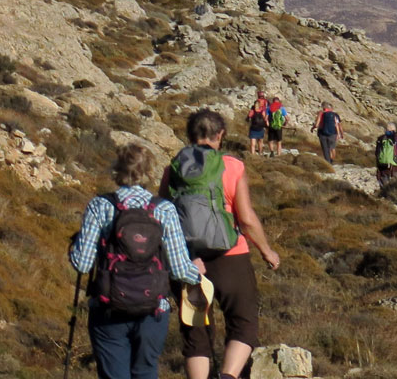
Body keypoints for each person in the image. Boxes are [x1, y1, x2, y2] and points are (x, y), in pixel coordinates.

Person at [164, 110, 283, 379]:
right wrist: (267, 251)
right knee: (243, 324)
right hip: (231, 256)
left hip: (188, 261)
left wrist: (177, 258)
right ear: (221, 135)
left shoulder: (173, 168)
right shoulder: (232, 166)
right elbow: (248, 219)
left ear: (190, 135)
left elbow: (164, 215)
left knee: (195, 331)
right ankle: (228, 376)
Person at [69, 143, 203, 379]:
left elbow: (82, 264)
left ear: (116, 170)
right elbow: (180, 270)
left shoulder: (100, 206)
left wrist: (75, 244)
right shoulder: (164, 210)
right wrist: (198, 273)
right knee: (146, 372)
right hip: (153, 310)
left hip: (108, 308)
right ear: (150, 172)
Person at [374, 123, 397, 194]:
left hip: (382, 164)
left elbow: (377, 152)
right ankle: (391, 194)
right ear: (394, 130)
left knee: (383, 180)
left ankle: (383, 193)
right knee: (394, 180)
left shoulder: (380, 138)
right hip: (393, 164)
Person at [245, 93, 269, 157]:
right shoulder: (262, 111)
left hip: (253, 128)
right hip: (260, 128)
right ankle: (260, 153)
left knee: (253, 143)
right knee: (260, 141)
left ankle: (253, 155)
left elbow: (248, 118)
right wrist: (267, 125)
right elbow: (265, 119)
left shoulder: (252, 111)